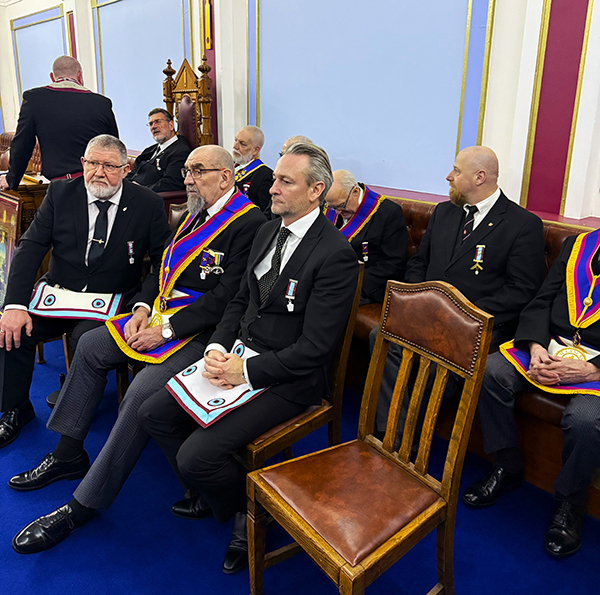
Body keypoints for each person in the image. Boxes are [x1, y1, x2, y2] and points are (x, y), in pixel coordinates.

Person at [10, 145, 266, 555]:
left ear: (225, 176)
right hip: (160, 316)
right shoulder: (195, 212)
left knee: (142, 393)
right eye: (187, 170)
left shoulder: (250, 223)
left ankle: (83, 504)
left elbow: (228, 297)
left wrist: (166, 330)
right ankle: (68, 452)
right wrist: (143, 308)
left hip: (202, 333)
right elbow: (161, 270)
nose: (187, 179)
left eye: (198, 171)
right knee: (91, 344)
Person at [137, 142, 359, 574]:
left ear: (316, 190)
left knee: (196, 458)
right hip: (237, 355)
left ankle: (250, 512)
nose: (271, 188)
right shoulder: (267, 230)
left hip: (288, 378)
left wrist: (247, 371)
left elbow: (315, 350)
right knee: (152, 414)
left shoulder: (335, 254)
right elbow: (240, 301)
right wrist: (217, 348)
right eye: (274, 178)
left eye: (285, 181)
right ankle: (227, 494)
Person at [0, 134, 170, 448]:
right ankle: (14, 410)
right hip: (58, 294)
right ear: (83, 163)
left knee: (86, 340)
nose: (98, 172)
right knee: (13, 330)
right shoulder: (61, 193)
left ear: (126, 169)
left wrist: (144, 304)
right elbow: (30, 247)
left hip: (112, 299)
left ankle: (75, 419)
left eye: (109, 166)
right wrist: (14, 305)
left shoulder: (147, 203)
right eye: (92, 163)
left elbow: (163, 263)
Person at [374, 145, 546, 434]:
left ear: (480, 177)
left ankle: (404, 438)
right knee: (383, 336)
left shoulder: (522, 224)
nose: (448, 176)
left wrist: (459, 314)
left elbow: (521, 290)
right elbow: (419, 263)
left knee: (436, 357)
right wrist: (416, 300)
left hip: (478, 322)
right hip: (428, 312)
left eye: (456, 170)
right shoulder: (444, 212)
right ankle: (390, 430)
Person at [462, 228, 600, 558]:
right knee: (492, 372)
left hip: (595, 365)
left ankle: (571, 500)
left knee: (585, 420)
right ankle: (507, 465)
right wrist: (536, 346)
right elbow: (542, 300)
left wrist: (593, 370)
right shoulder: (579, 245)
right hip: (550, 347)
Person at [0, 56, 118, 191]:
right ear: (80, 76)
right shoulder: (102, 103)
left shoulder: (35, 99)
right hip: (98, 186)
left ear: (52, 77)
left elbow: (22, 144)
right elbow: (114, 146)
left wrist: (11, 179)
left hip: (60, 188)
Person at [324, 169, 407, 303]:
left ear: (355, 192)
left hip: (363, 287)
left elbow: (392, 264)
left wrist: (353, 285)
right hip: (328, 280)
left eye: (341, 206)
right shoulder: (331, 207)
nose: (338, 212)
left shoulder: (388, 213)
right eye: (333, 208)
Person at [126, 108, 191, 192]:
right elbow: (134, 172)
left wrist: (138, 191)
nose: (154, 127)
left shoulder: (181, 152)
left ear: (171, 125)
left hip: (147, 196)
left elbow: (170, 184)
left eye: (157, 122)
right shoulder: (149, 150)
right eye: (151, 124)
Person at [232, 125, 273, 214]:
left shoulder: (265, 175)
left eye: (242, 144)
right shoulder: (228, 166)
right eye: (235, 140)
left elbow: (266, 213)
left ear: (255, 150)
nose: (235, 146)